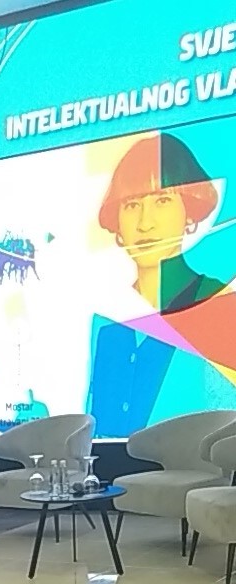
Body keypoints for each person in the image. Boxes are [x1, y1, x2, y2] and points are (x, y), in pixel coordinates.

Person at [88, 133, 236, 437]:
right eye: (132, 204)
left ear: (189, 212)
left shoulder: (219, 304)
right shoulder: (107, 322)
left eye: (162, 201)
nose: (145, 223)